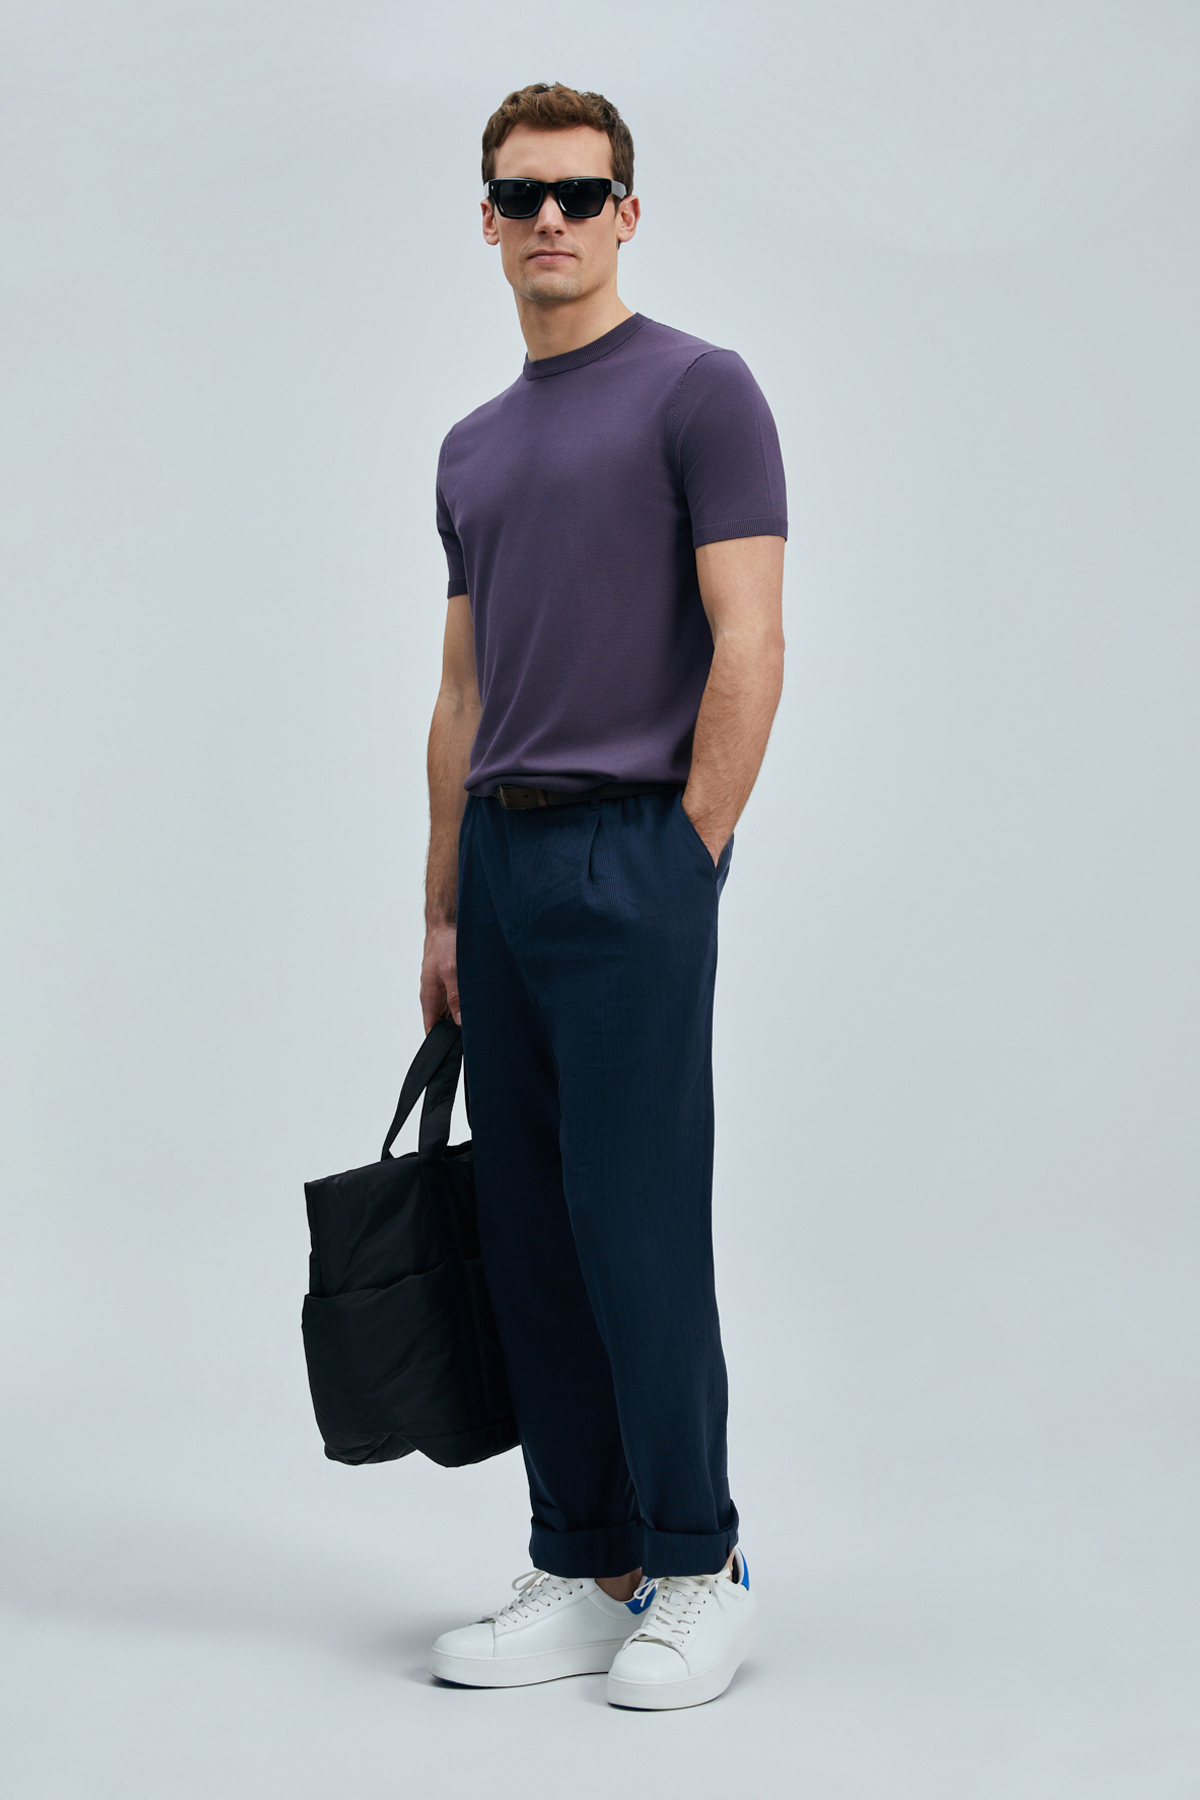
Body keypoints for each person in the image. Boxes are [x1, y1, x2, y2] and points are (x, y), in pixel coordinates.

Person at [419, 82, 786, 1711]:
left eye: (579, 193)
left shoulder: (702, 392)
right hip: (500, 861)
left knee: (635, 1221)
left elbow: (753, 639)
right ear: (488, 221)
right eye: (522, 195)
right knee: (527, 1229)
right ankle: (586, 1561)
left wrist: (688, 849)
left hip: (634, 849)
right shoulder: (472, 445)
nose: (550, 218)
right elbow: (460, 689)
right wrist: (443, 907)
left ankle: (702, 1563)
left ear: (627, 212)